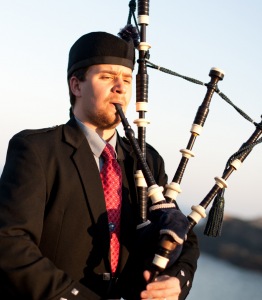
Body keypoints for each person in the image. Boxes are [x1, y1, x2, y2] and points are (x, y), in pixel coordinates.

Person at [0, 28, 199, 300]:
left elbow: (179, 231)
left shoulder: (148, 159)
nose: (120, 87)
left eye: (127, 79)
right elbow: (10, 243)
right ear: (76, 86)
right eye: (106, 77)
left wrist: (178, 280)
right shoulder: (36, 149)